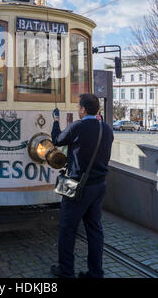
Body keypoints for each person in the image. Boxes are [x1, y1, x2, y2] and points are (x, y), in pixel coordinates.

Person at [50, 93, 114, 279]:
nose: (78, 110)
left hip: (77, 186)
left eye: (79, 107)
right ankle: (95, 273)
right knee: (94, 229)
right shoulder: (106, 129)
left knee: (67, 228)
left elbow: (57, 140)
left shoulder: (78, 126)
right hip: (99, 185)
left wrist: (55, 120)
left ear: (83, 109)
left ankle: (66, 270)